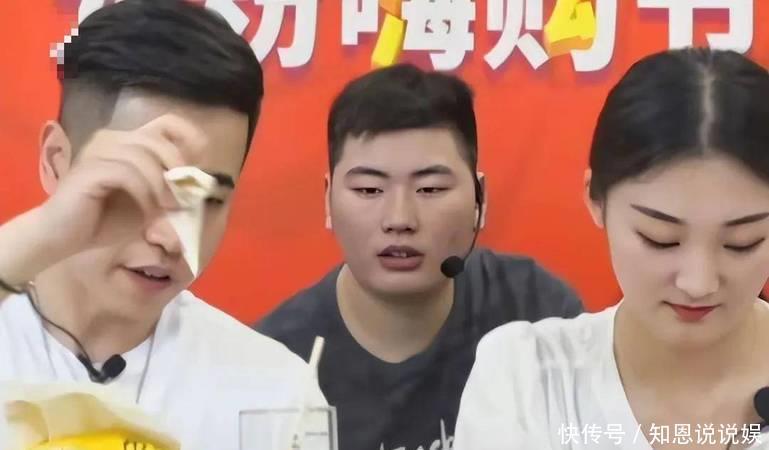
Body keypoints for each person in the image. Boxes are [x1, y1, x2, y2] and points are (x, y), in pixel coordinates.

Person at [0, 1, 325, 448]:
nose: (173, 238)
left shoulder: (278, 396)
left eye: (206, 199)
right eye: (142, 184)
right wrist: (35, 240)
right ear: (57, 161)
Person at [454, 48, 769, 450]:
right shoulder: (528, 376)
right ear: (596, 199)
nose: (698, 283)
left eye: (742, 243)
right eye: (660, 238)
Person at [257, 64, 583, 450]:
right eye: (369, 190)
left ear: (479, 200)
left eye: (430, 189)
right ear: (328, 200)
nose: (400, 219)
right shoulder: (274, 362)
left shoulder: (538, 314)